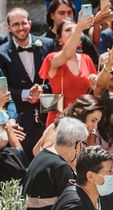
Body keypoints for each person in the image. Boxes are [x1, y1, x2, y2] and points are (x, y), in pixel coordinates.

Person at [0, 8, 55, 160]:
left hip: (48, 115)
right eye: (16, 24)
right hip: (20, 121)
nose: (21, 27)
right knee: (23, 164)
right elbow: (4, 89)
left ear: (30, 23)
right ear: (9, 27)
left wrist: (42, 89)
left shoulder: (48, 44)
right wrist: (25, 94)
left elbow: (56, 79)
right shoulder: (1, 53)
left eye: (23, 23)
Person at [39, 15, 98, 127]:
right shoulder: (52, 58)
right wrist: (79, 29)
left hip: (83, 119)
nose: (73, 32)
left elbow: (95, 89)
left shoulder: (86, 59)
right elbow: (67, 54)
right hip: (60, 120)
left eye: (74, 29)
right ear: (59, 39)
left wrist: (95, 81)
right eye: (67, 30)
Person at [44, 0, 99, 67]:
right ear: (52, 16)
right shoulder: (45, 41)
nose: (66, 17)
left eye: (69, 13)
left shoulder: (82, 38)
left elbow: (95, 65)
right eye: (61, 13)